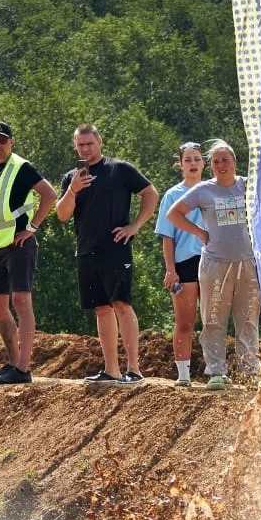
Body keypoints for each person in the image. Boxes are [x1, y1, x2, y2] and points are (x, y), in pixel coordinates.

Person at [55, 124, 158, 384]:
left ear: (99, 141)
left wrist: (135, 226)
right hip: (86, 249)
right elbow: (62, 214)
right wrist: (73, 190)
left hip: (115, 247)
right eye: (80, 145)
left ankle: (134, 369)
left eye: (89, 143)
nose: (85, 149)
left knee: (121, 304)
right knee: (101, 308)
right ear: (75, 146)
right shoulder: (71, 177)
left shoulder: (119, 169)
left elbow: (150, 193)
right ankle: (111, 370)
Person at [167, 141, 261, 390]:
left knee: (248, 318)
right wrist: (199, 232)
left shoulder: (248, 185)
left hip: (248, 262)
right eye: (216, 161)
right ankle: (217, 371)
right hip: (214, 264)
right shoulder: (203, 190)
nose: (221, 165)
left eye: (225, 160)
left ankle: (251, 370)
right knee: (213, 318)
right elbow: (173, 214)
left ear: (234, 162)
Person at [0, 122, 57, 386]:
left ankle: (23, 367)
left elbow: (49, 194)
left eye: (2, 140)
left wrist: (32, 228)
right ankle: (11, 363)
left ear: (12, 141)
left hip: (19, 243)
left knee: (21, 301)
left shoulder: (21, 166)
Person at [156, 142, 207, 385]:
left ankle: (216, 371)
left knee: (213, 320)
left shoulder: (214, 190)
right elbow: (167, 236)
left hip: (212, 260)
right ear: (181, 165)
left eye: (197, 159)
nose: (193, 164)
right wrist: (170, 269)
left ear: (204, 163)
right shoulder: (173, 195)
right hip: (184, 261)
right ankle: (183, 374)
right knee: (185, 321)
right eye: (188, 160)